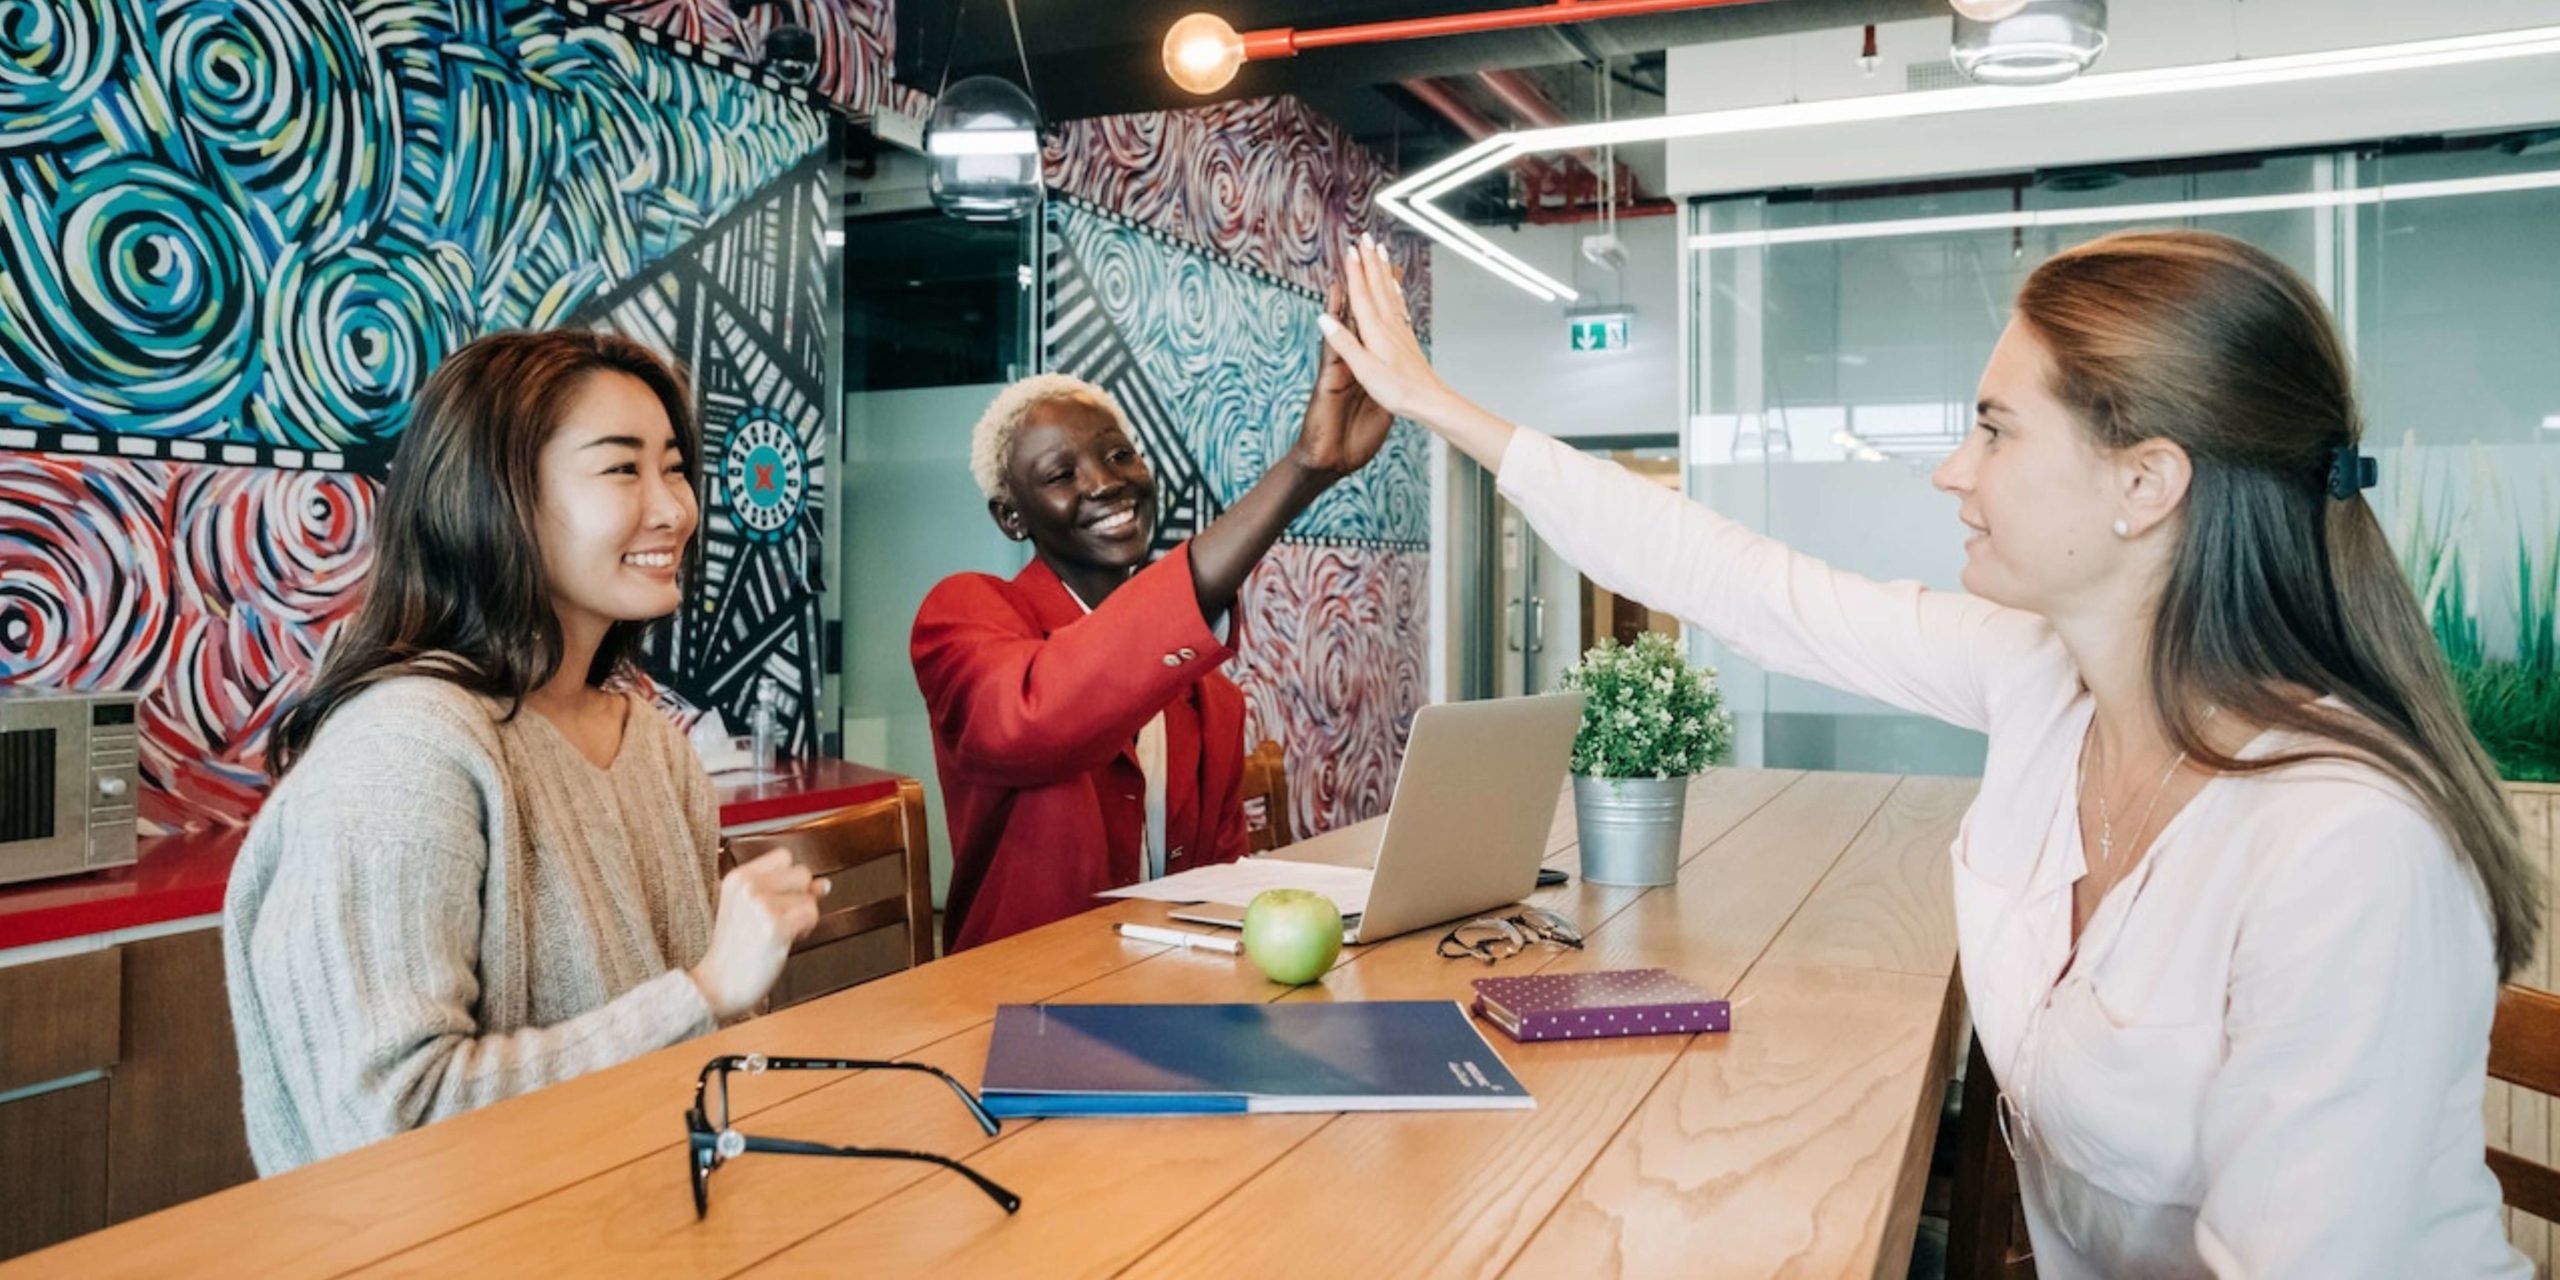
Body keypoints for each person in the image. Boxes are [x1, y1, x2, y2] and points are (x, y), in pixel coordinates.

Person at [1316, 230, 2535, 1277]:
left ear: (2145, 481)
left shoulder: (2349, 850)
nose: (1954, 468)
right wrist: (1441, 408)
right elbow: (1747, 586)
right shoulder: (2042, 678)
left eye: (1996, 429)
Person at [225, 331, 824, 1175]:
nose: (675, 509)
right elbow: (388, 1126)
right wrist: (705, 992)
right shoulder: (403, 750)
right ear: (495, 497)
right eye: (623, 469)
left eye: (676, 467)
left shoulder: (652, 745)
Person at [913, 297, 1391, 953]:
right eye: (1060, 475)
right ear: (1011, 517)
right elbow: (1038, 713)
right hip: (1017, 1006)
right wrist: (1302, 470)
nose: (1107, 484)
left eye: (1118, 456)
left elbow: (1219, 887)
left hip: (1167, 993)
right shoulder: (964, 614)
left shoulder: (1211, 699)